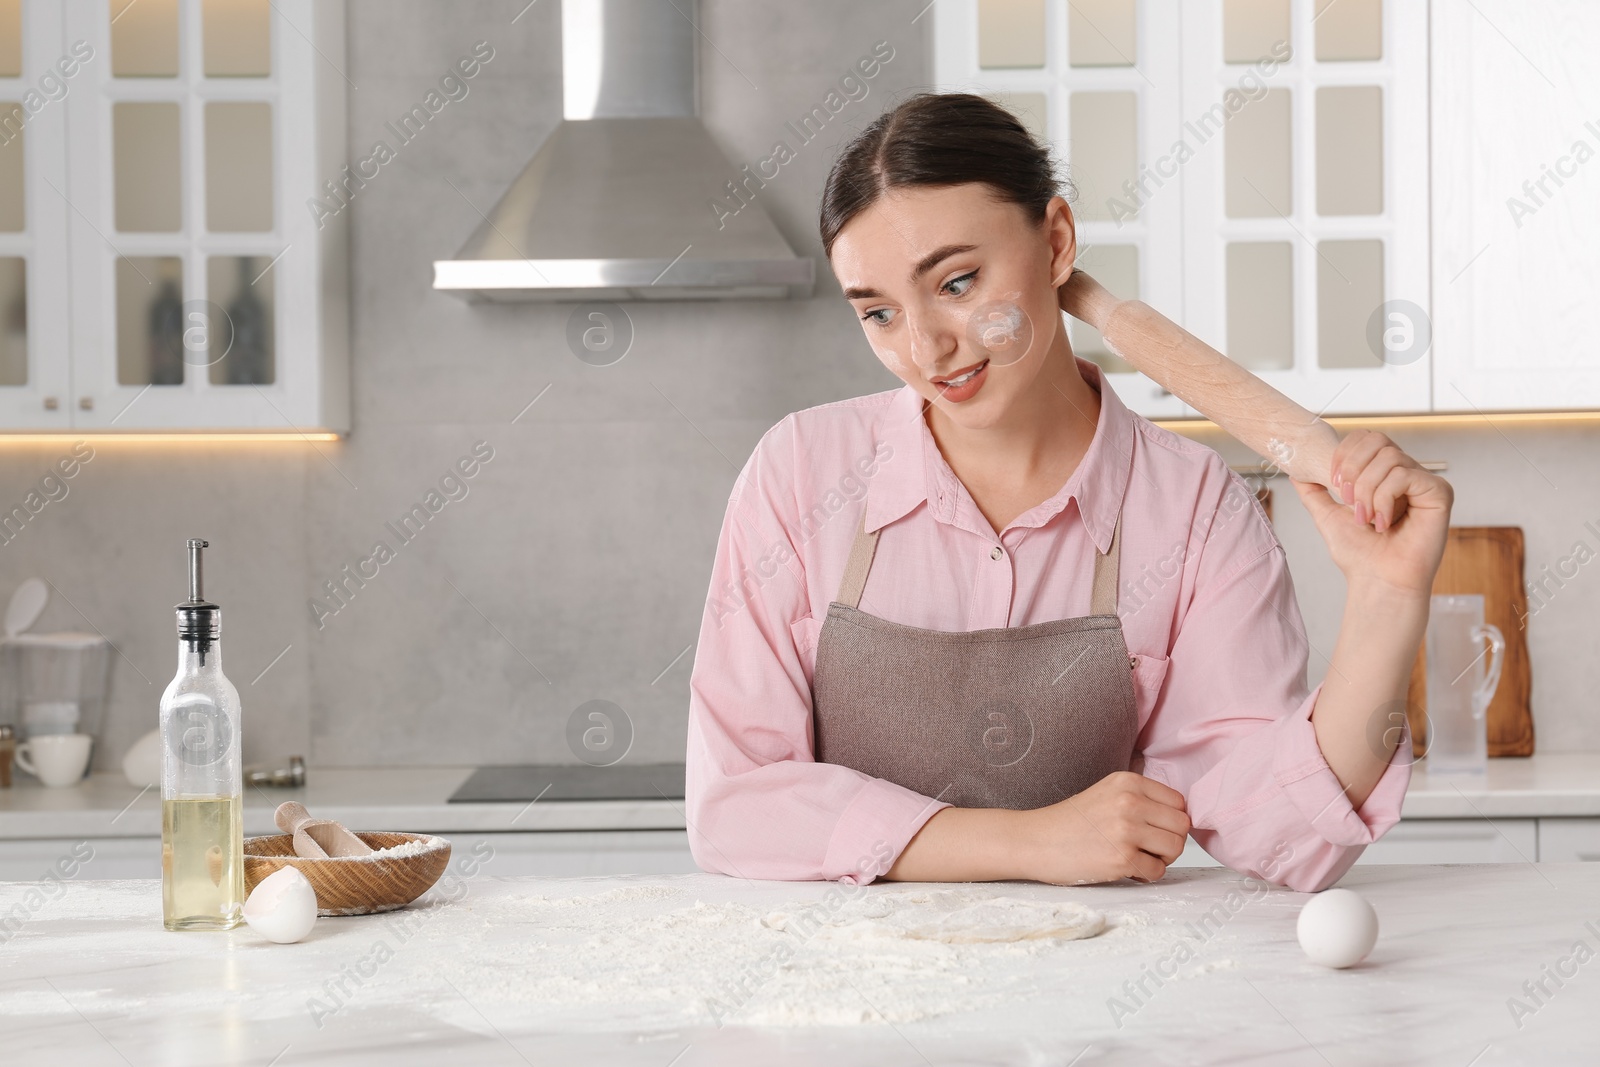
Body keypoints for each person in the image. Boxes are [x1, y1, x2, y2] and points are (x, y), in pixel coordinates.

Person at [684, 92, 1452, 894]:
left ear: (1055, 242)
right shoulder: (802, 472)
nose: (926, 348)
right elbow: (738, 802)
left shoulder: (1192, 506)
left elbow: (1281, 835)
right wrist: (1026, 843)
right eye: (878, 313)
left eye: (957, 282)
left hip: (1083, 992)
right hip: (849, 996)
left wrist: (1387, 598)